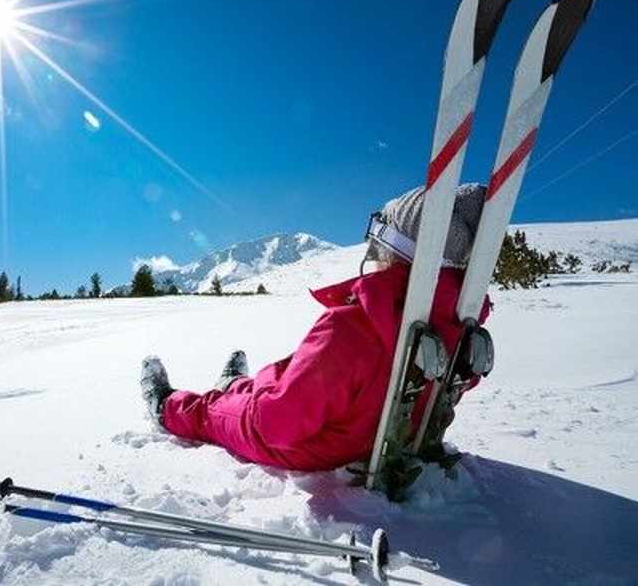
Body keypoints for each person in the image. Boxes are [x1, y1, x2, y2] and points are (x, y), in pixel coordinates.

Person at [139, 184, 492, 472]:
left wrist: (244, 405)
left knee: (216, 411)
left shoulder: (351, 328)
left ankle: (167, 407)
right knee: (281, 375)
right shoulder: (457, 328)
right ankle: (237, 384)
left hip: (315, 449)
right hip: (371, 434)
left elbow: (276, 423)